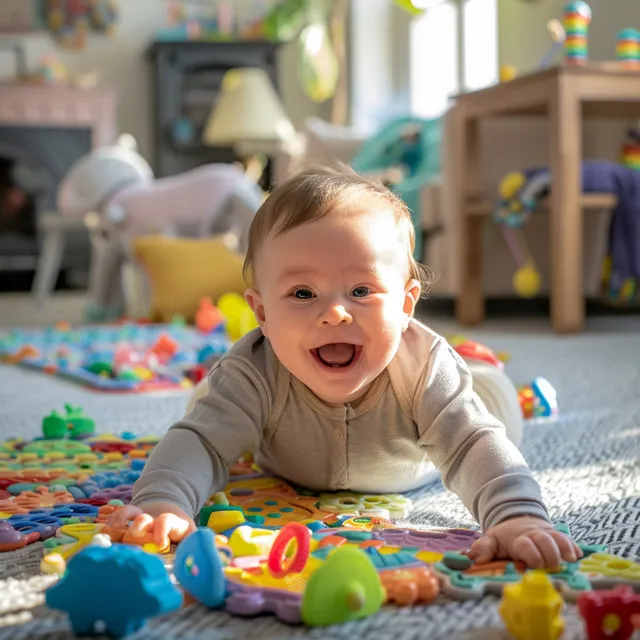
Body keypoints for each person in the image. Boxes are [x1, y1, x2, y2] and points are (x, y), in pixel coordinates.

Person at [112, 164, 580, 569]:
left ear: (405, 305)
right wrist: (163, 501)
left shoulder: (422, 369)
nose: (335, 312)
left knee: (495, 412)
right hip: (275, 445)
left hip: (426, 445)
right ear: (262, 315)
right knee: (207, 413)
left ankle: (481, 368)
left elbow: (473, 445)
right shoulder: (253, 371)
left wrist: (516, 515)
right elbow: (201, 442)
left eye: (361, 291)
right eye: (302, 294)